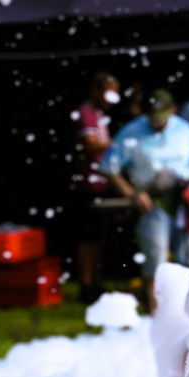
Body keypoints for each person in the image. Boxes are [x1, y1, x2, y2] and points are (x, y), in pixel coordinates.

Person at [101, 88, 189, 313]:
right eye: (153, 117)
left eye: (162, 117)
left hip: (182, 199)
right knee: (156, 252)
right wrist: (132, 194)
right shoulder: (131, 132)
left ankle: (188, 313)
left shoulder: (185, 131)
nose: (157, 122)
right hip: (151, 201)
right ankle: (156, 312)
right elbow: (109, 168)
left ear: (173, 110)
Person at [69, 71, 119, 304]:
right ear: (96, 91)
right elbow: (91, 145)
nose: (111, 100)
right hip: (86, 184)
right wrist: (116, 144)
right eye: (108, 94)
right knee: (87, 237)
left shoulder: (99, 115)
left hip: (101, 183)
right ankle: (86, 285)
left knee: (97, 236)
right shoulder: (85, 113)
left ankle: (94, 282)